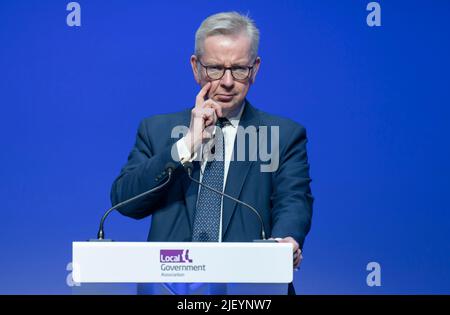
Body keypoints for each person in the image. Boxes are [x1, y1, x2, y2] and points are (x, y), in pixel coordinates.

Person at [110, 12, 313, 295]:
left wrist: (285, 241)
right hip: (169, 290)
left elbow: (292, 199)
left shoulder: (283, 134)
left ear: (255, 69)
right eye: (215, 69)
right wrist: (185, 146)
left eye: (239, 69)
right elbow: (125, 202)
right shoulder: (156, 130)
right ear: (196, 68)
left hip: (250, 292)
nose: (227, 81)